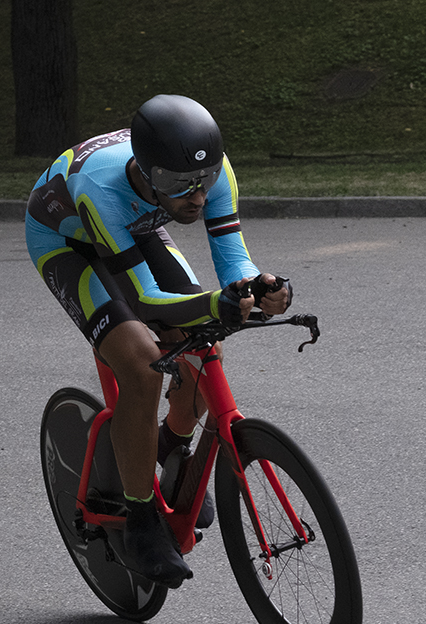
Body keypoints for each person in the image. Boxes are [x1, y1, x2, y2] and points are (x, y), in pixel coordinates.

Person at [25, 94, 291, 588]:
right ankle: (141, 514)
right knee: (144, 366)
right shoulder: (101, 189)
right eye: (178, 185)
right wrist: (217, 303)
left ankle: (168, 447)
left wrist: (262, 287)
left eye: (203, 183)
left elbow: (234, 261)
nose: (195, 197)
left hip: (136, 225)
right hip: (68, 240)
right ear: (145, 173)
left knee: (203, 346)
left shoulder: (208, 174)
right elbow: (146, 300)